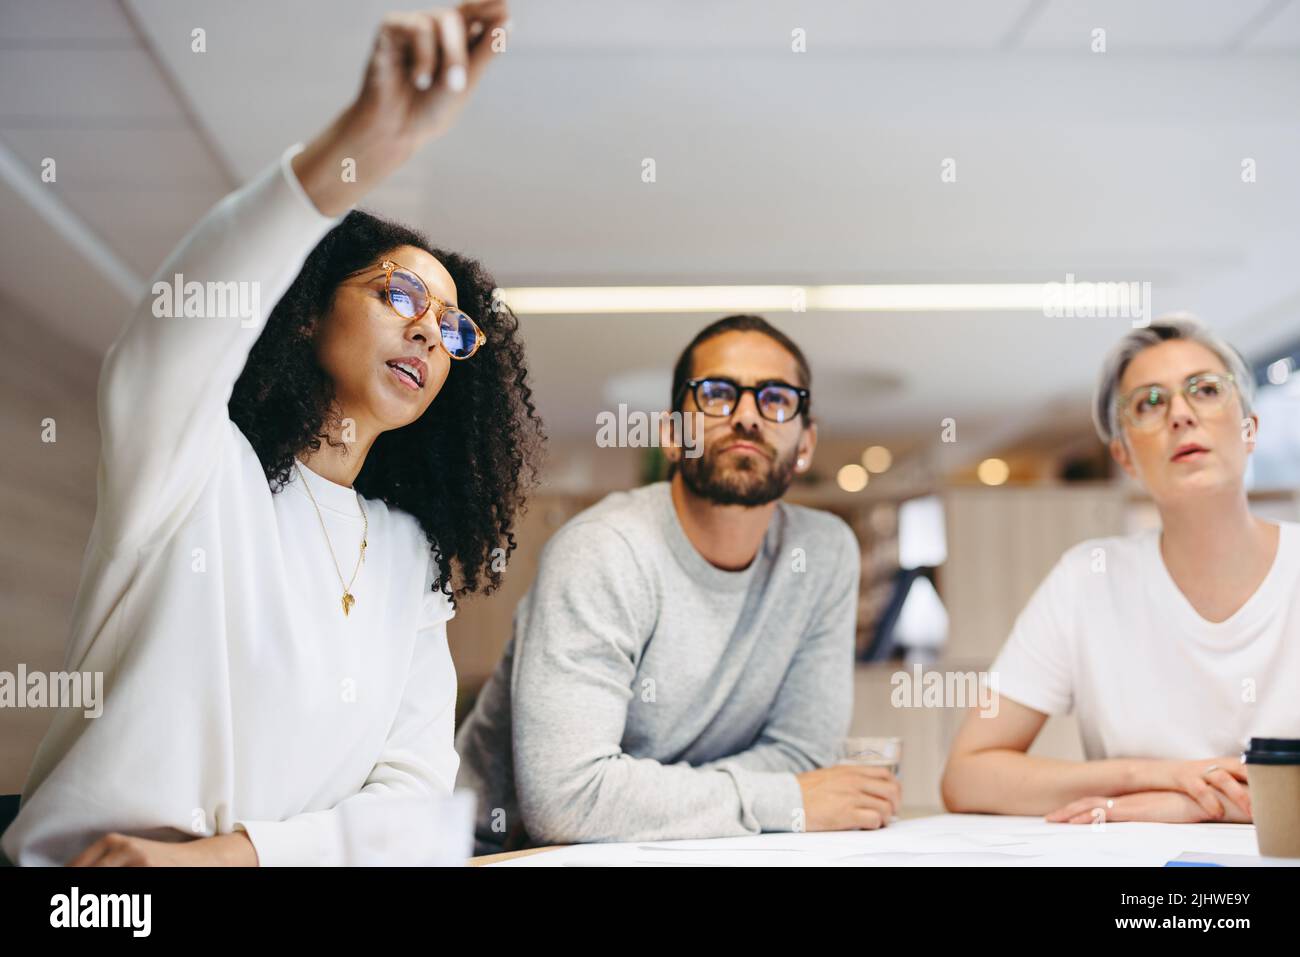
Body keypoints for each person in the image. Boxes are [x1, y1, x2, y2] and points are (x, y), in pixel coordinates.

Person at [3, 2, 544, 866]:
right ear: (304, 313)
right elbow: (185, 314)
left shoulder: (410, 557)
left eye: (451, 329)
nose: (427, 335)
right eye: (399, 297)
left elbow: (416, 809)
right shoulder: (193, 464)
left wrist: (229, 858)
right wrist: (368, 141)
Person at [455, 314, 900, 854]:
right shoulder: (603, 550)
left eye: (776, 399)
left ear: (805, 444)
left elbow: (803, 757)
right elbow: (567, 799)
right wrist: (786, 799)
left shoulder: (824, 554)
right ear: (671, 435)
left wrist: (647, 796)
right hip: (505, 852)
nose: (746, 417)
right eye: (716, 394)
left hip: (693, 847)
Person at [942, 315, 1300, 825]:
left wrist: (1191, 805)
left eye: (1204, 390)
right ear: (1125, 456)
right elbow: (968, 775)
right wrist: (1153, 775)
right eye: (1149, 402)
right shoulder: (1086, 579)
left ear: (1249, 430)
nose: (1180, 414)